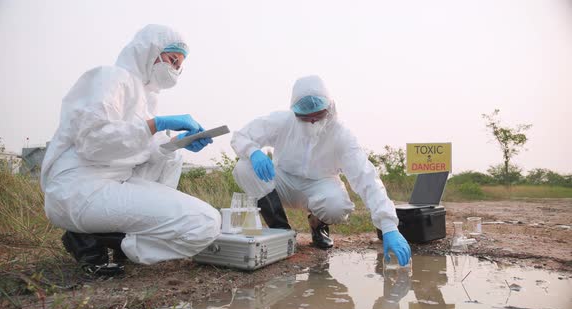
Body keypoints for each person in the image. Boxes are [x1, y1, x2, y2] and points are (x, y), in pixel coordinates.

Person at [40, 24, 221, 274]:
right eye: (172, 60)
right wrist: (155, 125)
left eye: (180, 65)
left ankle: (107, 238)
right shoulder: (110, 78)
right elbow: (93, 141)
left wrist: (179, 142)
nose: (176, 69)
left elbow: (142, 151)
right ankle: (92, 238)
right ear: (151, 51)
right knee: (204, 223)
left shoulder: (146, 98)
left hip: (113, 182)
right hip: (80, 189)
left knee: (172, 156)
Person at [230, 75, 411, 265]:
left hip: (320, 185)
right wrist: (253, 152)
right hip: (282, 181)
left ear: (330, 108)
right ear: (294, 111)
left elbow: (366, 178)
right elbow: (241, 136)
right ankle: (281, 231)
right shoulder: (282, 121)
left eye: (318, 114)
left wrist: (389, 226)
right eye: (305, 116)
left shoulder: (342, 135)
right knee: (243, 167)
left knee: (337, 206)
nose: (312, 120)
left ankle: (318, 226)